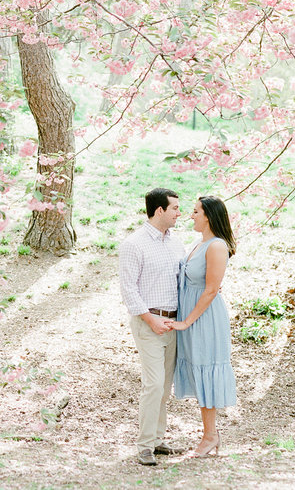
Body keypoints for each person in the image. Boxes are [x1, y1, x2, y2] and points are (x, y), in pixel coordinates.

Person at [118, 187, 187, 466]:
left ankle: (158, 440)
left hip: (172, 322)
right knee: (153, 384)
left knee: (165, 384)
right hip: (148, 322)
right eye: (174, 209)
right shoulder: (133, 244)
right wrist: (150, 319)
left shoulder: (176, 242)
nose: (179, 213)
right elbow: (128, 289)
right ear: (160, 210)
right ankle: (144, 445)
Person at [168, 195, 238, 457]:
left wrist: (187, 320)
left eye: (195, 211)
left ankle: (210, 436)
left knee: (206, 370)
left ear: (208, 215)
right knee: (197, 370)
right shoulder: (200, 243)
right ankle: (210, 435)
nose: (191, 215)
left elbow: (210, 290)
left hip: (204, 317)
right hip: (192, 314)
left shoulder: (216, 246)